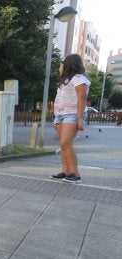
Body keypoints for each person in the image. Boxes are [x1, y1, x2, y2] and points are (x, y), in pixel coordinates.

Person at [50, 53, 90, 184]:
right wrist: (56, 117)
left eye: (61, 66)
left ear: (68, 66)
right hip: (61, 115)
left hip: (72, 114)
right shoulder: (65, 81)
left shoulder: (78, 78)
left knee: (65, 143)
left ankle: (75, 173)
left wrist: (79, 119)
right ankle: (66, 171)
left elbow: (82, 97)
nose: (59, 69)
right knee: (63, 145)